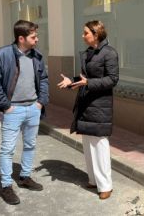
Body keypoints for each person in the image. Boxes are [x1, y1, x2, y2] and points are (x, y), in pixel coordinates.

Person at [0, 20, 49, 205]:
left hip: (33, 109)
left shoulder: (37, 56)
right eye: (33, 37)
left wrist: (41, 102)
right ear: (21, 38)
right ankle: (6, 186)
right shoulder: (2, 54)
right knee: (8, 149)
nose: (37, 39)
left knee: (30, 145)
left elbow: (44, 79)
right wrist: (6, 106)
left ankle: (25, 177)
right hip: (12, 110)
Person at [57, 20, 119, 200]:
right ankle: (94, 179)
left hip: (100, 104)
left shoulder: (109, 53)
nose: (83, 36)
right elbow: (85, 78)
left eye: (86, 33)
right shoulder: (87, 53)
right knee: (88, 145)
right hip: (85, 102)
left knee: (100, 145)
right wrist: (72, 82)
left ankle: (106, 185)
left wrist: (88, 83)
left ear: (96, 34)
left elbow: (112, 79)